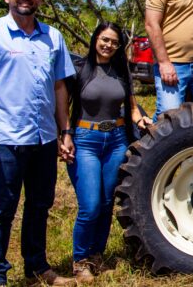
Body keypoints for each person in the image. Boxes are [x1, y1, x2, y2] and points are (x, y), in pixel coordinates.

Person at [0, 0, 76, 287]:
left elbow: (59, 87)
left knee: (40, 205)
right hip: (7, 136)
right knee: (3, 207)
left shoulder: (52, 37)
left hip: (43, 136)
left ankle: (37, 268)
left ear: (39, 0)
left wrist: (64, 131)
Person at [64, 22, 152, 283]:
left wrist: (140, 121)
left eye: (114, 42)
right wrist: (65, 135)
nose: (108, 45)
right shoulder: (79, 70)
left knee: (105, 203)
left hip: (116, 140)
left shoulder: (121, 71)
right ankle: (79, 260)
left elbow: (133, 107)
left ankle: (96, 256)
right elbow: (63, 105)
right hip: (86, 140)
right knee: (89, 206)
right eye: (104, 40)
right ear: (95, 39)